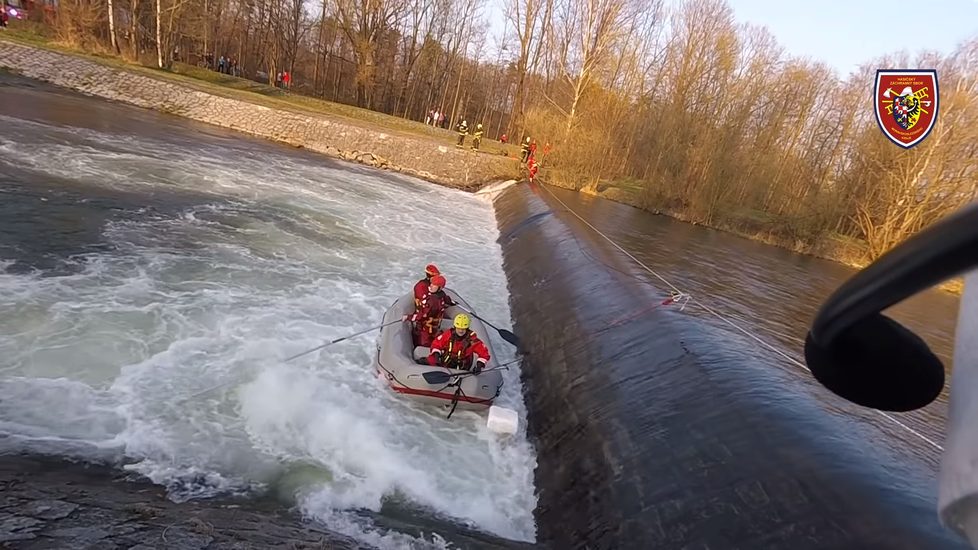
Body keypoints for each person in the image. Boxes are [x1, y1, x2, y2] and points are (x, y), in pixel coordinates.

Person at [422, 314, 491, 373]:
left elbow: (484, 353)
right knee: (429, 360)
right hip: (447, 360)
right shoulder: (448, 334)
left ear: (467, 329)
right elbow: (436, 344)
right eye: (458, 328)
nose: (460, 331)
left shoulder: (472, 340)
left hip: (462, 366)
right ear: (455, 327)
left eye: (463, 329)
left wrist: (479, 365)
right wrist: (436, 355)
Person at [404, 275, 456, 347]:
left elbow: (422, 316)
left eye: (434, 285)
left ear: (439, 288)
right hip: (435, 327)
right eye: (431, 284)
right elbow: (448, 300)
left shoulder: (431, 302)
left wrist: (408, 317)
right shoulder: (442, 295)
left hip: (426, 329)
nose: (431, 286)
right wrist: (452, 303)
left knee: (422, 342)